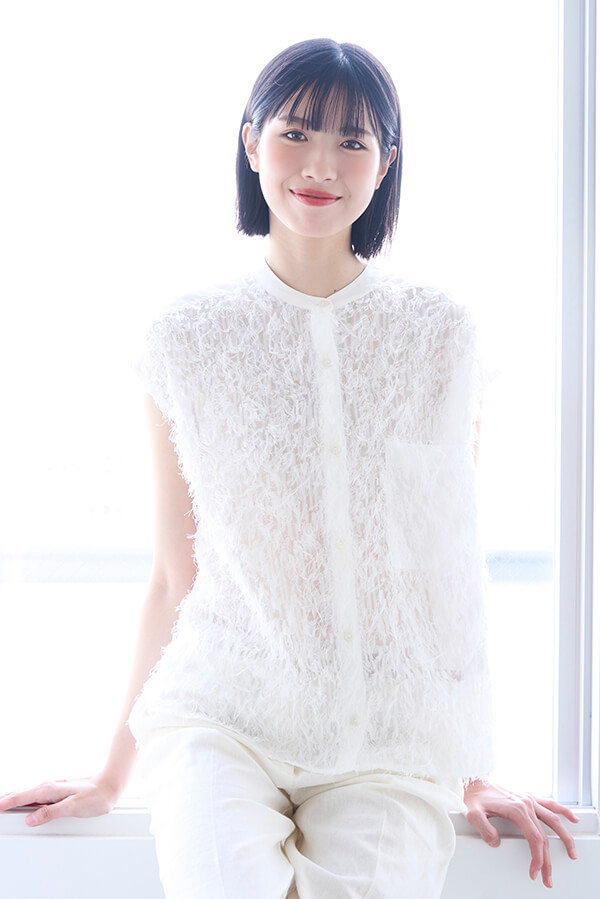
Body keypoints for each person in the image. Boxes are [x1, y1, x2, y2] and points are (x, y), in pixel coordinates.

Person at [0, 38, 579, 898]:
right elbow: (173, 576)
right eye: (296, 132)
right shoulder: (186, 337)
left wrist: (473, 771)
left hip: (388, 740)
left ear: (386, 163)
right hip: (222, 717)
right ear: (251, 142)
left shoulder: (439, 337)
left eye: (352, 141)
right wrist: (111, 775)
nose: (320, 165)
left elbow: (445, 573)